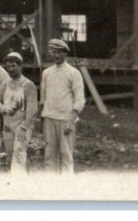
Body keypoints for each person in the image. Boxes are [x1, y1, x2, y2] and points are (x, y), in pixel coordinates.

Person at [41, 38, 86, 174]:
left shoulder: (74, 73)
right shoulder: (46, 73)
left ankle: (66, 189)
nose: (57, 55)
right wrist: (43, 118)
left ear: (65, 53)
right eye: (54, 52)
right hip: (49, 118)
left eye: (60, 52)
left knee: (66, 156)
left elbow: (80, 100)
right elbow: (43, 98)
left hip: (66, 119)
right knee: (49, 156)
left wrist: (71, 121)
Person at [0, 52, 37, 173]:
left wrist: (24, 127)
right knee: (10, 155)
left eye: (13, 66)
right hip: (7, 126)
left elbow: (32, 110)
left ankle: (19, 185)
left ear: (20, 66)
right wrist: (4, 108)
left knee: (19, 155)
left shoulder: (28, 85)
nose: (11, 69)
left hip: (22, 126)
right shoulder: (6, 84)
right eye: (8, 67)